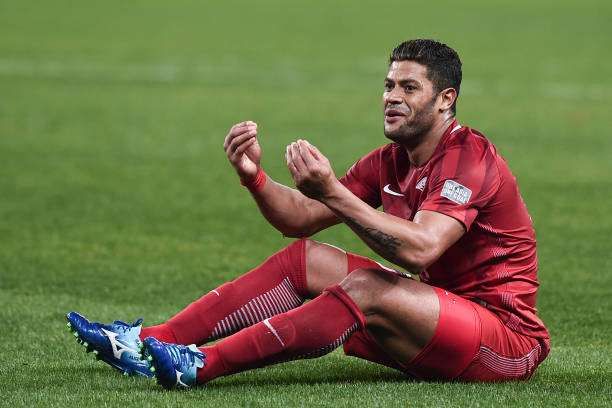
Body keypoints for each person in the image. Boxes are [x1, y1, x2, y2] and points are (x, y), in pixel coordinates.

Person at [66, 39, 550, 388]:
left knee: (364, 287)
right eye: (387, 85)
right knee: (307, 258)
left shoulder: (469, 156)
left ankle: (199, 364)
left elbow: (421, 246)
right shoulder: (392, 159)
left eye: (409, 88)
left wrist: (335, 193)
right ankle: (146, 341)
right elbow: (298, 217)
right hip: (437, 315)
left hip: (504, 341)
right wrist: (254, 176)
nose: (391, 97)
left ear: (447, 101)